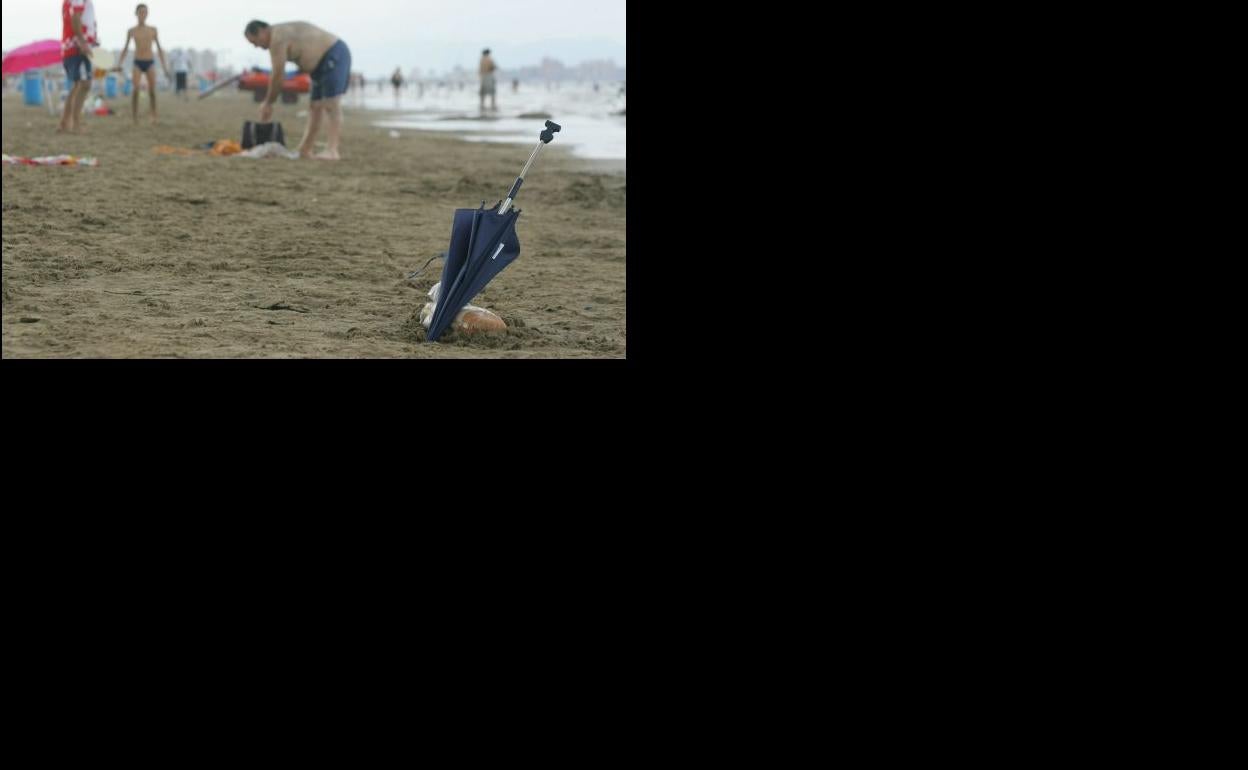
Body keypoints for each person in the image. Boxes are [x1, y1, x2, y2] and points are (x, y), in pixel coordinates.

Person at [244, 20, 352, 160]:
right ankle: (305, 149)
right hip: (318, 68)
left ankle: (332, 150)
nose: (257, 46)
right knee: (314, 107)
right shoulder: (277, 37)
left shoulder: (278, 38)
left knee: (331, 104)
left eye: (255, 42)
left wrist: (268, 103)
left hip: (334, 54)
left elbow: (277, 75)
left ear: (262, 31)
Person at [118, 4, 169, 124]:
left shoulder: (153, 30)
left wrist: (164, 66)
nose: (143, 14)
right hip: (138, 61)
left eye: (145, 12)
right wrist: (119, 63)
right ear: (136, 14)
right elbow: (125, 48)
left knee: (152, 91)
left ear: (147, 14)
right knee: (135, 90)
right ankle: (135, 117)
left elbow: (159, 48)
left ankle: (154, 115)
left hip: (150, 61)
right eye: (140, 12)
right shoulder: (132, 31)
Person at [58, 0, 99, 134]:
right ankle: (75, 123)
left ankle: (65, 122)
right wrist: (83, 42)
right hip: (76, 48)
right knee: (84, 84)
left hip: (75, 46)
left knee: (78, 85)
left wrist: (92, 40)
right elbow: (76, 18)